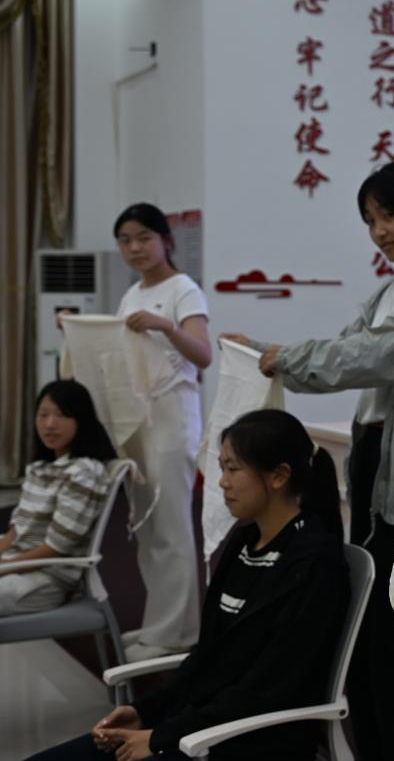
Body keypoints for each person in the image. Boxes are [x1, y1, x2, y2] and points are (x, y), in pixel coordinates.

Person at [222, 161, 394, 761]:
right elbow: (347, 348)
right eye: (369, 220)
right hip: (376, 472)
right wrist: (265, 353)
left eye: (389, 215)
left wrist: (281, 358)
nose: (379, 231)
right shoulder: (390, 287)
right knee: (372, 636)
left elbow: (371, 357)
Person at [25, 409, 350, 761]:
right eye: (222, 468)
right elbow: (207, 656)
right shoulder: (244, 543)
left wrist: (161, 736)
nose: (222, 482)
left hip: (244, 742)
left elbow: (267, 690)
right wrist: (145, 712)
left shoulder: (313, 565)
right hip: (198, 727)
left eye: (233, 469)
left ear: (278, 476)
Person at [112, 203, 212, 662]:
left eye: (143, 237)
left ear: (165, 240)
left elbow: (203, 354)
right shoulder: (131, 294)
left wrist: (166, 326)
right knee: (146, 525)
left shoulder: (183, 289)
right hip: (136, 419)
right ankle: (159, 624)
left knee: (171, 525)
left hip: (172, 417)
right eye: (125, 240)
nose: (135, 247)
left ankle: (178, 633)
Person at [0, 381, 117, 614]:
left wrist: (6, 567)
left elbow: (57, 547)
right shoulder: (40, 469)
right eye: (43, 415)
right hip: (17, 564)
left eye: (61, 415)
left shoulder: (84, 473)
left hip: (44, 578)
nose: (50, 424)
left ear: (81, 420)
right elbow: (17, 530)